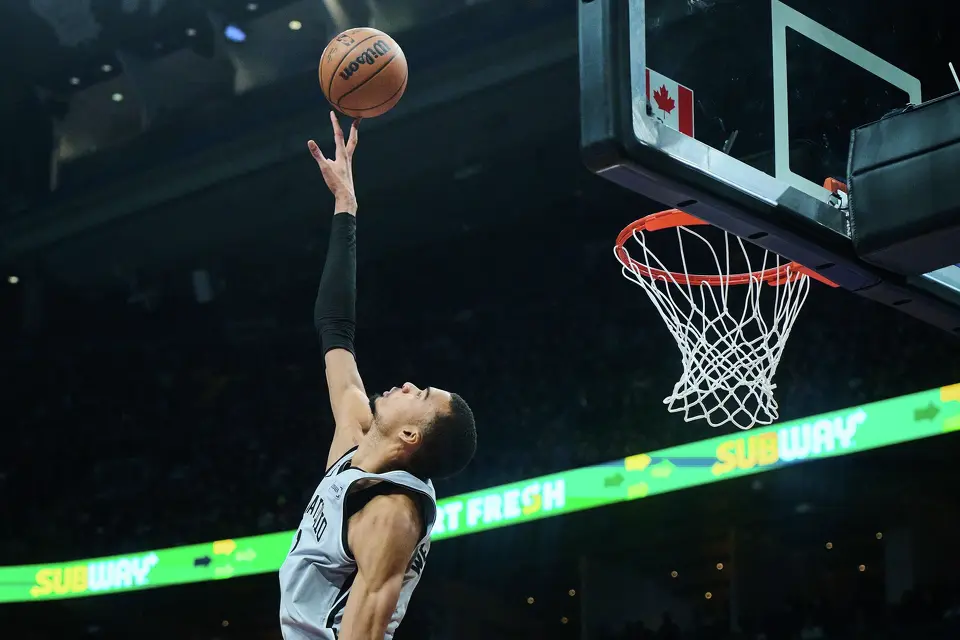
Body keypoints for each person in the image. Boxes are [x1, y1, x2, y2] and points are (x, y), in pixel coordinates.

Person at [278, 112, 478, 640]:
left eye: (424, 395)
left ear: (411, 436)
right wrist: (346, 205)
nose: (410, 383)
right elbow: (335, 330)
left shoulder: (392, 513)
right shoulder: (354, 441)